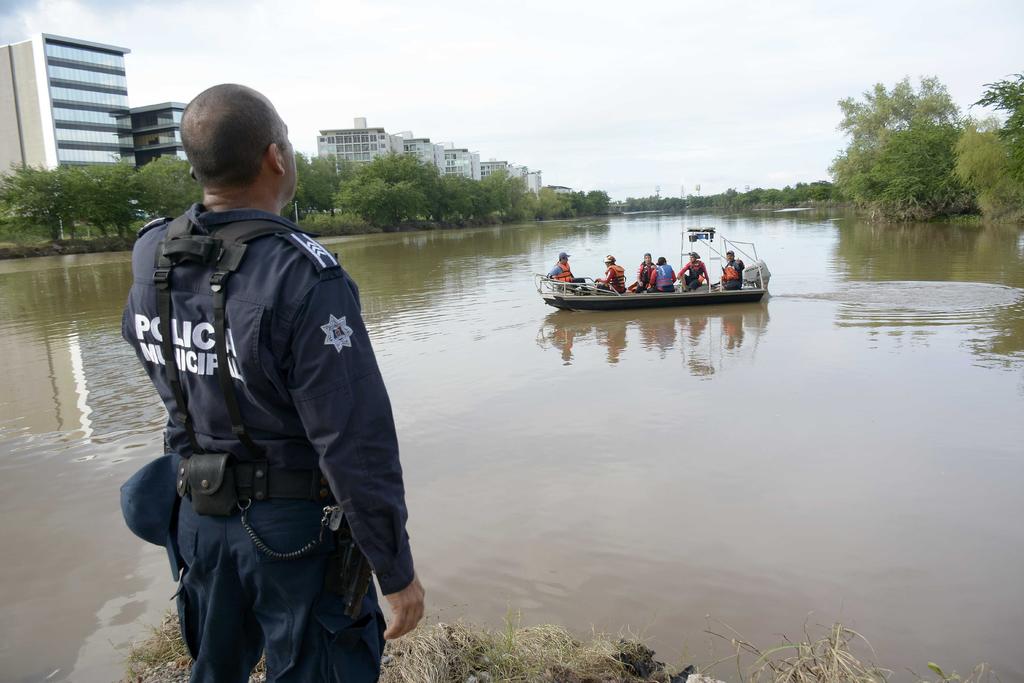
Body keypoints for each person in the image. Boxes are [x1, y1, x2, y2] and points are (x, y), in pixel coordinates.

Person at [120, 84, 424, 682]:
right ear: (275, 156)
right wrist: (396, 570)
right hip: (292, 537)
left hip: (198, 514)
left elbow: (156, 358)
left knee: (215, 669)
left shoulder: (153, 252)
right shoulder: (303, 273)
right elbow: (353, 441)